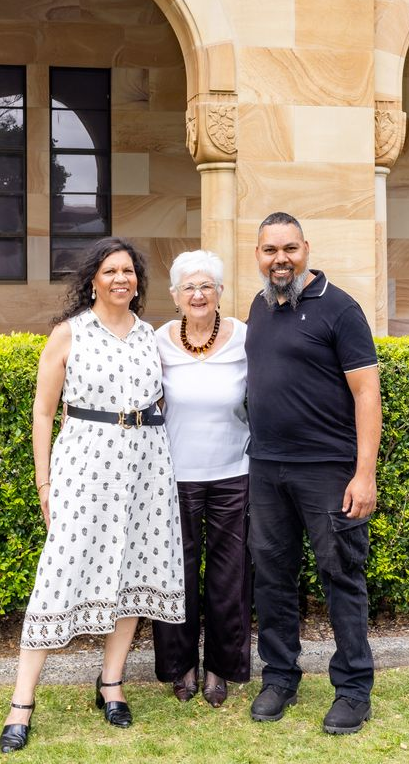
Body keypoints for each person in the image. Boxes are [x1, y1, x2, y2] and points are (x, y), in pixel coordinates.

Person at [0, 237, 185, 753]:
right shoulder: (70, 334)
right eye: (110, 271)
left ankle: (112, 683)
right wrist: (45, 483)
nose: (121, 279)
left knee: (132, 569)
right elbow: (42, 411)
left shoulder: (152, 336)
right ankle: (21, 701)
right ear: (93, 280)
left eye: (129, 271)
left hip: (146, 467)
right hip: (84, 467)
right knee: (58, 575)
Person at [245, 213, 382, 735]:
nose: (280, 259)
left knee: (341, 574)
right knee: (273, 577)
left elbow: (367, 393)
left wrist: (363, 474)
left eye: (289, 249)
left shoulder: (340, 308)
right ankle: (279, 677)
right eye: (269, 250)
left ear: (306, 249)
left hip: (327, 471)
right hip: (266, 468)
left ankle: (353, 688)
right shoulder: (260, 307)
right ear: (257, 255)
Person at [152, 250, 251, 708]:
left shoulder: (244, 339)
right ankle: (181, 667)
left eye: (206, 286)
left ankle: (220, 669)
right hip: (174, 476)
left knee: (229, 576)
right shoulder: (158, 341)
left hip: (235, 472)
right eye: (189, 286)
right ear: (175, 296)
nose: (198, 294)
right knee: (177, 574)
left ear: (220, 293)